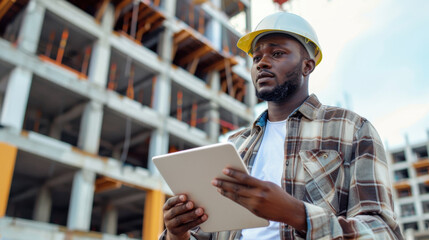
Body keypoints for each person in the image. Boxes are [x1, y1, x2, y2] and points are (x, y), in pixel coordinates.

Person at [160, 12, 403, 240]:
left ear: (307, 66)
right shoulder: (235, 145)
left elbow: (382, 231)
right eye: (256, 58)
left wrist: (297, 214)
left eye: (276, 54)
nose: (262, 63)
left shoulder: (352, 130)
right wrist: (176, 233)